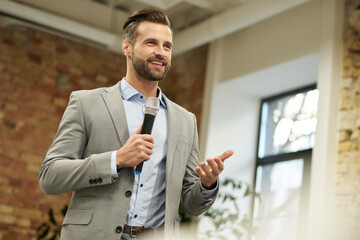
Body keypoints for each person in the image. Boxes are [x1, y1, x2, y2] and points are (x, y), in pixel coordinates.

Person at [39, 8, 233, 240]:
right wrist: (116, 159)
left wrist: (207, 184)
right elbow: (50, 176)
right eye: (151, 43)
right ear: (127, 48)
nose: (161, 52)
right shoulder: (86, 103)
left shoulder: (185, 120)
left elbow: (191, 205)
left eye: (167, 46)